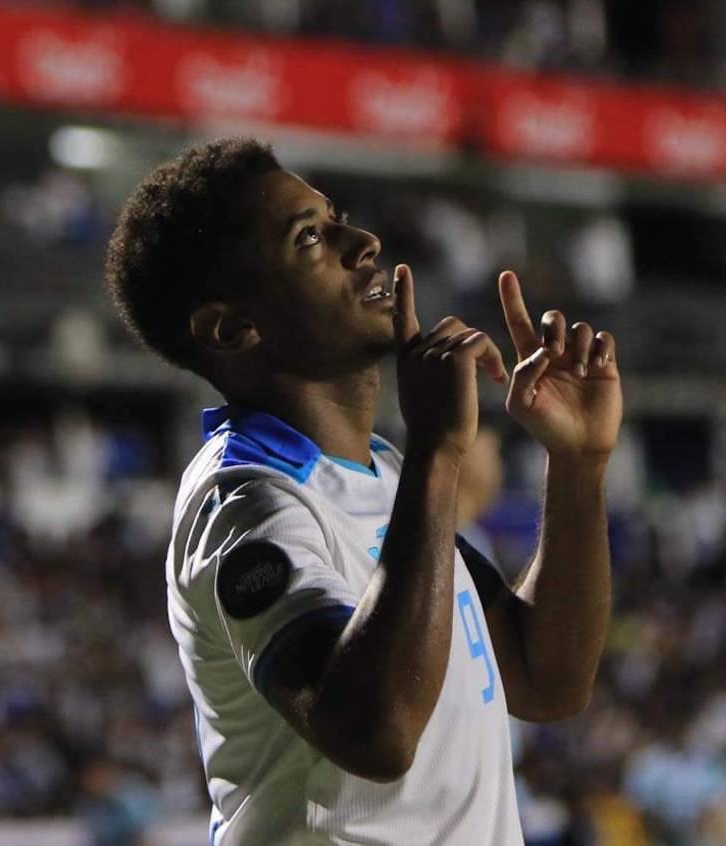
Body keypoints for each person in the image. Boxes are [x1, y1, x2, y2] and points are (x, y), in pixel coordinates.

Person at [105, 138, 622, 844]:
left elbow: (547, 680)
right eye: (310, 237)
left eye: (336, 216)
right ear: (231, 328)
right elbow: (374, 734)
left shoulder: (381, 473)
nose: (365, 242)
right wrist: (439, 451)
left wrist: (579, 465)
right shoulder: (245, 505)